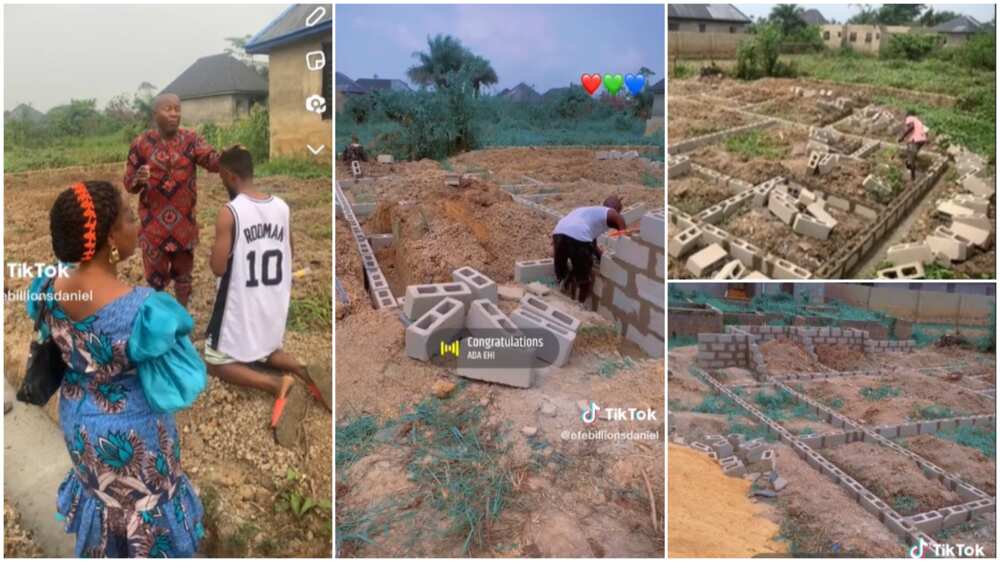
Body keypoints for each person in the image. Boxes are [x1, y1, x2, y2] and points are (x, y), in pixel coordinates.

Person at [29, 181, 206, 557]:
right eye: (129, 216)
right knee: (147, 515)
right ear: (110, 236)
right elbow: (185, 376)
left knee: (104, 504)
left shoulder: (48, 286)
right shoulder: (144, 309)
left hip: (82, 430)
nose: (137, 224)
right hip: (135, 440)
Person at [203, 147, 330, 447]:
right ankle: (300, 369)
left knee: (213, 359)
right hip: (273, 300)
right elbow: (290, 253)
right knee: (265, 348)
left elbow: (218, 267)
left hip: (241, 302)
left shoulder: (230, 212)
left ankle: (277, 383)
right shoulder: (282, 207)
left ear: (231, 176)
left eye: (222, 177)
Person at [124, 93, 223, 307]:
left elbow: (212, 161)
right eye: (167, 109)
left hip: (184, 227)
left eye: (177, 109)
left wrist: (228, 158)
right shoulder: (141, 143)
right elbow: (128, 183)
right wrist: (138, 179)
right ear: (155, 114)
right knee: (155, 283)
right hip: (154, 230)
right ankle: (158, 324)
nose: (173, 114)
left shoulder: (191, 140)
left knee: (184, 280)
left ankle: (182, 321)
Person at [551, 196, 628, 303]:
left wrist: (603, 259)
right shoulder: (611, 212)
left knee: (563, 271)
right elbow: (623, 231)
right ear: (617, 209)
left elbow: (592, 244)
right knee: (584, 280)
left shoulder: (589, 214)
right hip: (578, 235)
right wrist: (625, 243)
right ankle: (580, 306)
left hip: (558, 233)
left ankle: (562, 290)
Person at [898, 110, 928, 182]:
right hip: (922, 140)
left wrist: (902, 137)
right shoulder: (918, 120)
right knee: (910, 152)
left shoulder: (910, 118)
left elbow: (911, 127)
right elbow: (925, 131)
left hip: (916, 140)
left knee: (911, 157)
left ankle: (912, 177)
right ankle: (908, 165)